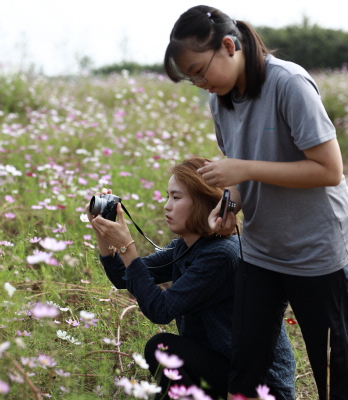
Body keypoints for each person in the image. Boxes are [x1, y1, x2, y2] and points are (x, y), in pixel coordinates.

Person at [163, 6, 348, 400]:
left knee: (329, 366)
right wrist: (229, 206)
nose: (199, 82)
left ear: (228, 45)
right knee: (246, 363)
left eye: (200, 70)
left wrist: (243, 169)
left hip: (316, 250)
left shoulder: (289, 84)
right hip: (260, 251)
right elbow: (242, 179)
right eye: (190, 78)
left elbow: (329, 170)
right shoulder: (219, 102)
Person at [88, 157, 295, 400]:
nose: (167, 206)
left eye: (176, 198)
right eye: (168, 196)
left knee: (161, 348)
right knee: (163, 352)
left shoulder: (222, 254)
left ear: (204, 203)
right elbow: (124, 277)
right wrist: (102, 231)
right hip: (223, 366)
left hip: (259, 388)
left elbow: (160, 311)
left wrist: (127, 247)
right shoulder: (186, 246)